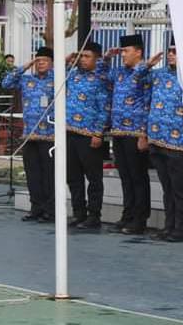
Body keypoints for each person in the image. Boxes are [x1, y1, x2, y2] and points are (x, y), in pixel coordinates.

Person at [104, 36, 161, 235]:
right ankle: (127, 214)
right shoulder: (119, 73)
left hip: (135, 132)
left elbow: (148, 103)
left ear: (138, 52)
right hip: (118, 131)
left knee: (138, 177)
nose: (123, 55)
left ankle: (139, 219)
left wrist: (144, 133)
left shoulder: (146, 74)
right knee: (125, 177)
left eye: (126, 51)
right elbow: (102, 76)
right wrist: (106, 59)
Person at [147, 39, 183, 242]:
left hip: (180, 143)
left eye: (175, 51)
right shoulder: (159, 75)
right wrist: (148, 64)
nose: (171, 54)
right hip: (158, 139)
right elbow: (137, 79)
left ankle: (180, 228)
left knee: (181, 188)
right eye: (170, 51)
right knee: (167, 188)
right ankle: (169, 225)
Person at [2, 46, 56, 222]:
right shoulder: (27, 79)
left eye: (44, 61)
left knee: (48, 174)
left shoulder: (57, 78)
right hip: (29, 134)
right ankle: (36, 208)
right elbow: (6, 83)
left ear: (51, 63)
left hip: (49, 134)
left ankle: (50, 210)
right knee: (32, 173)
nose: (41, 63)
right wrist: (25, 66)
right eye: (38, 60)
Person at [65, 42, 109, 231]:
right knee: (73, 177)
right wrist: (68, 62)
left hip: (89, 135)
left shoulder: (100, 79)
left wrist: (98, 133)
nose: (83, 59)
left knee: (93, 178)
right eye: (81, 56)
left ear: (96, 59)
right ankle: (78, 212)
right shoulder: (72, 77)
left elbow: (104, 108)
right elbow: (58, 80)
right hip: (69, 132)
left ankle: (94, 215)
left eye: (87, 56)